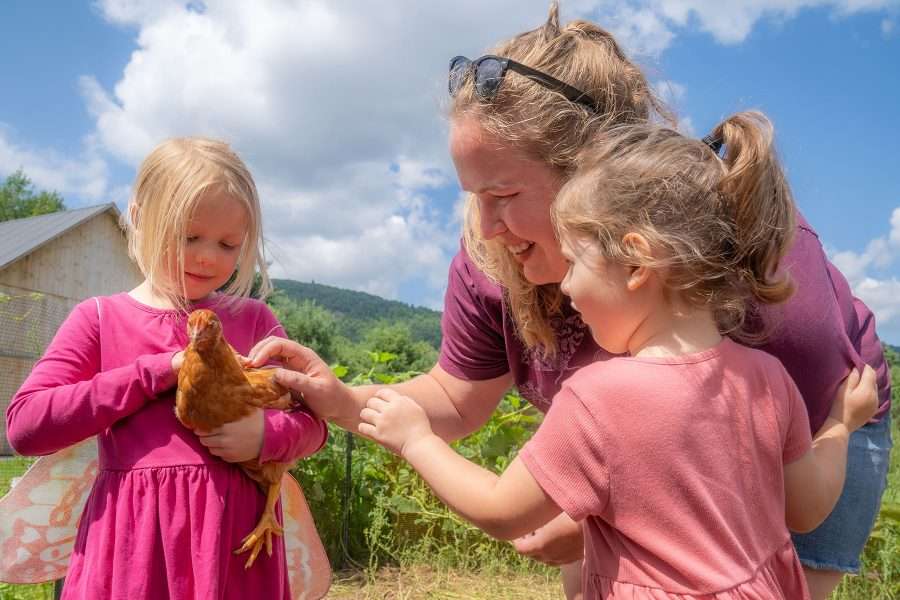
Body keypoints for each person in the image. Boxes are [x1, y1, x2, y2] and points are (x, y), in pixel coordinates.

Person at [247, 4, 892, 598]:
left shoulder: (755, 274)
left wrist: (838, 424)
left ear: (591, 181)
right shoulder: (495, 263)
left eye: (502, 194)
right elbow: (456, 397)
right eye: (472, 194)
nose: (484, 225)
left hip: (823, 412)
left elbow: (786, 491)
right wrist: (342, 400)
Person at [358, 116, 880, 599]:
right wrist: (840, 422)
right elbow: (809, 509)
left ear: (635, 264)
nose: (566, 285)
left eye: (575, 261)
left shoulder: (596, 396)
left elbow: (502, 511)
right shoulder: (766, 378)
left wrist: (416, 439)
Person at [5, 138, 327, 599]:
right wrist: (159, 370)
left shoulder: (255, 321)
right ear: (139, 218)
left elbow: (314, 423)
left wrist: (267, 436)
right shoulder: (99, 318)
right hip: (130, 549)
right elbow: (27, 425)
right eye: (188, 236)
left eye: (228, 244)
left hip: (233, 550)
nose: (207, 257)